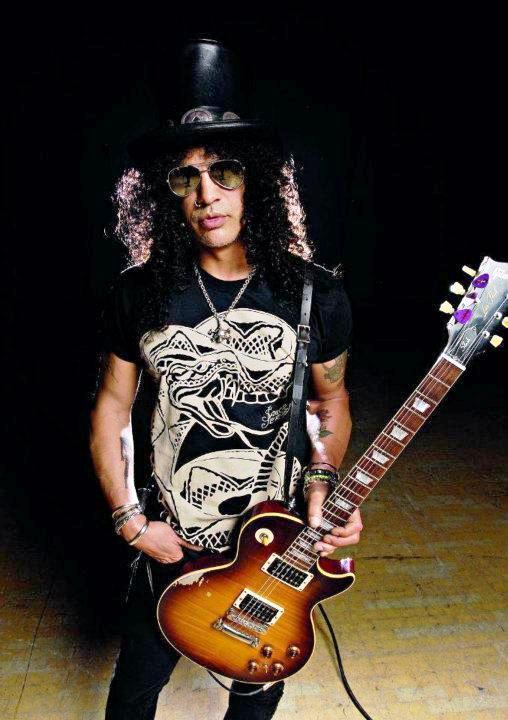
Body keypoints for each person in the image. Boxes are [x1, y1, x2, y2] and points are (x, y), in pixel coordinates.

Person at [89, 38, 363, 720]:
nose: (206, 195)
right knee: (134, 691)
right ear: (167, 194)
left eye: (226, 172)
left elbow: (330, 402)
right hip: (172, 543)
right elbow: (113, 407)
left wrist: (324, 487)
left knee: (256, 689)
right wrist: (130, 521)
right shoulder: (138, 295)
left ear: (257, 182)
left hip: (274, 547)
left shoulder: (313, 296)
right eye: (185, 179)